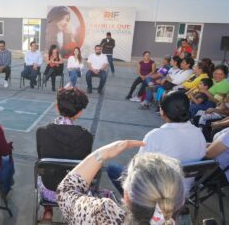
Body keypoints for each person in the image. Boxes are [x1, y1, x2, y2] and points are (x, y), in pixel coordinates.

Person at [57, 140, 185, 224]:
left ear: (127, 195)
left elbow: (65, 191)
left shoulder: (102, 215)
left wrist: (102, 153)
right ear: (181, 201)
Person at [109, 91, 206, 195]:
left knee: (112, 168)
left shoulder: (156, 136)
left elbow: (137, 169)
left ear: (162, 111)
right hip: (183, 193)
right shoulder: (198, 133)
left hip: (155, 195)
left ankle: (134, 207)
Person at [36, 87, 92, 222]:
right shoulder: (87, 136)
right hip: (74, 193)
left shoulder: (42, 132)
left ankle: (48, 210)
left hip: (48, 188)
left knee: (44, 169)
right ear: (79, 113)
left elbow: (41, 160)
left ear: (56, 107)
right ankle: (71, 215)